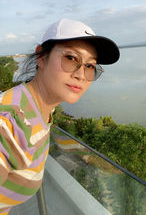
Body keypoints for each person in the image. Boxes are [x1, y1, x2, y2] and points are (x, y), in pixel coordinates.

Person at [0, 18, 120, 214]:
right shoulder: (11, 122)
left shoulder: (39, 108)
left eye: (90, 66)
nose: (81, 75)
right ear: (41, 56)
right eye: (71, 58)